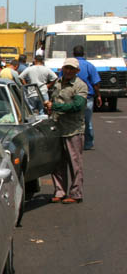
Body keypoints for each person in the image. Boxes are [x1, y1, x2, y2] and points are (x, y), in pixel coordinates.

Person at [45, 58, 88, 204]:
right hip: (57, 128)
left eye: (71, 69)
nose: (68, 71)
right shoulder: (57, 83)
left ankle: (76, 194)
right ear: (62, 68)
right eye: (66, 68)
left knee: (74, 163)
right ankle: (60, 191)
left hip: (73, 129)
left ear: (77, 71)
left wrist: (55, 106)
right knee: (57, 163)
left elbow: (77, 106)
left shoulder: (80, 86)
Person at [72, 45, 102, 150]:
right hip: (87, 98)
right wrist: (98, 96)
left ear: (73, 54)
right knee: (87, 122)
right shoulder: (89, 66)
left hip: (72, 98)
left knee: (73, 121)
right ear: (83, 53)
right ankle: (88, 143)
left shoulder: (68, 66)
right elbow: (95, 83)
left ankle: (73, 144)